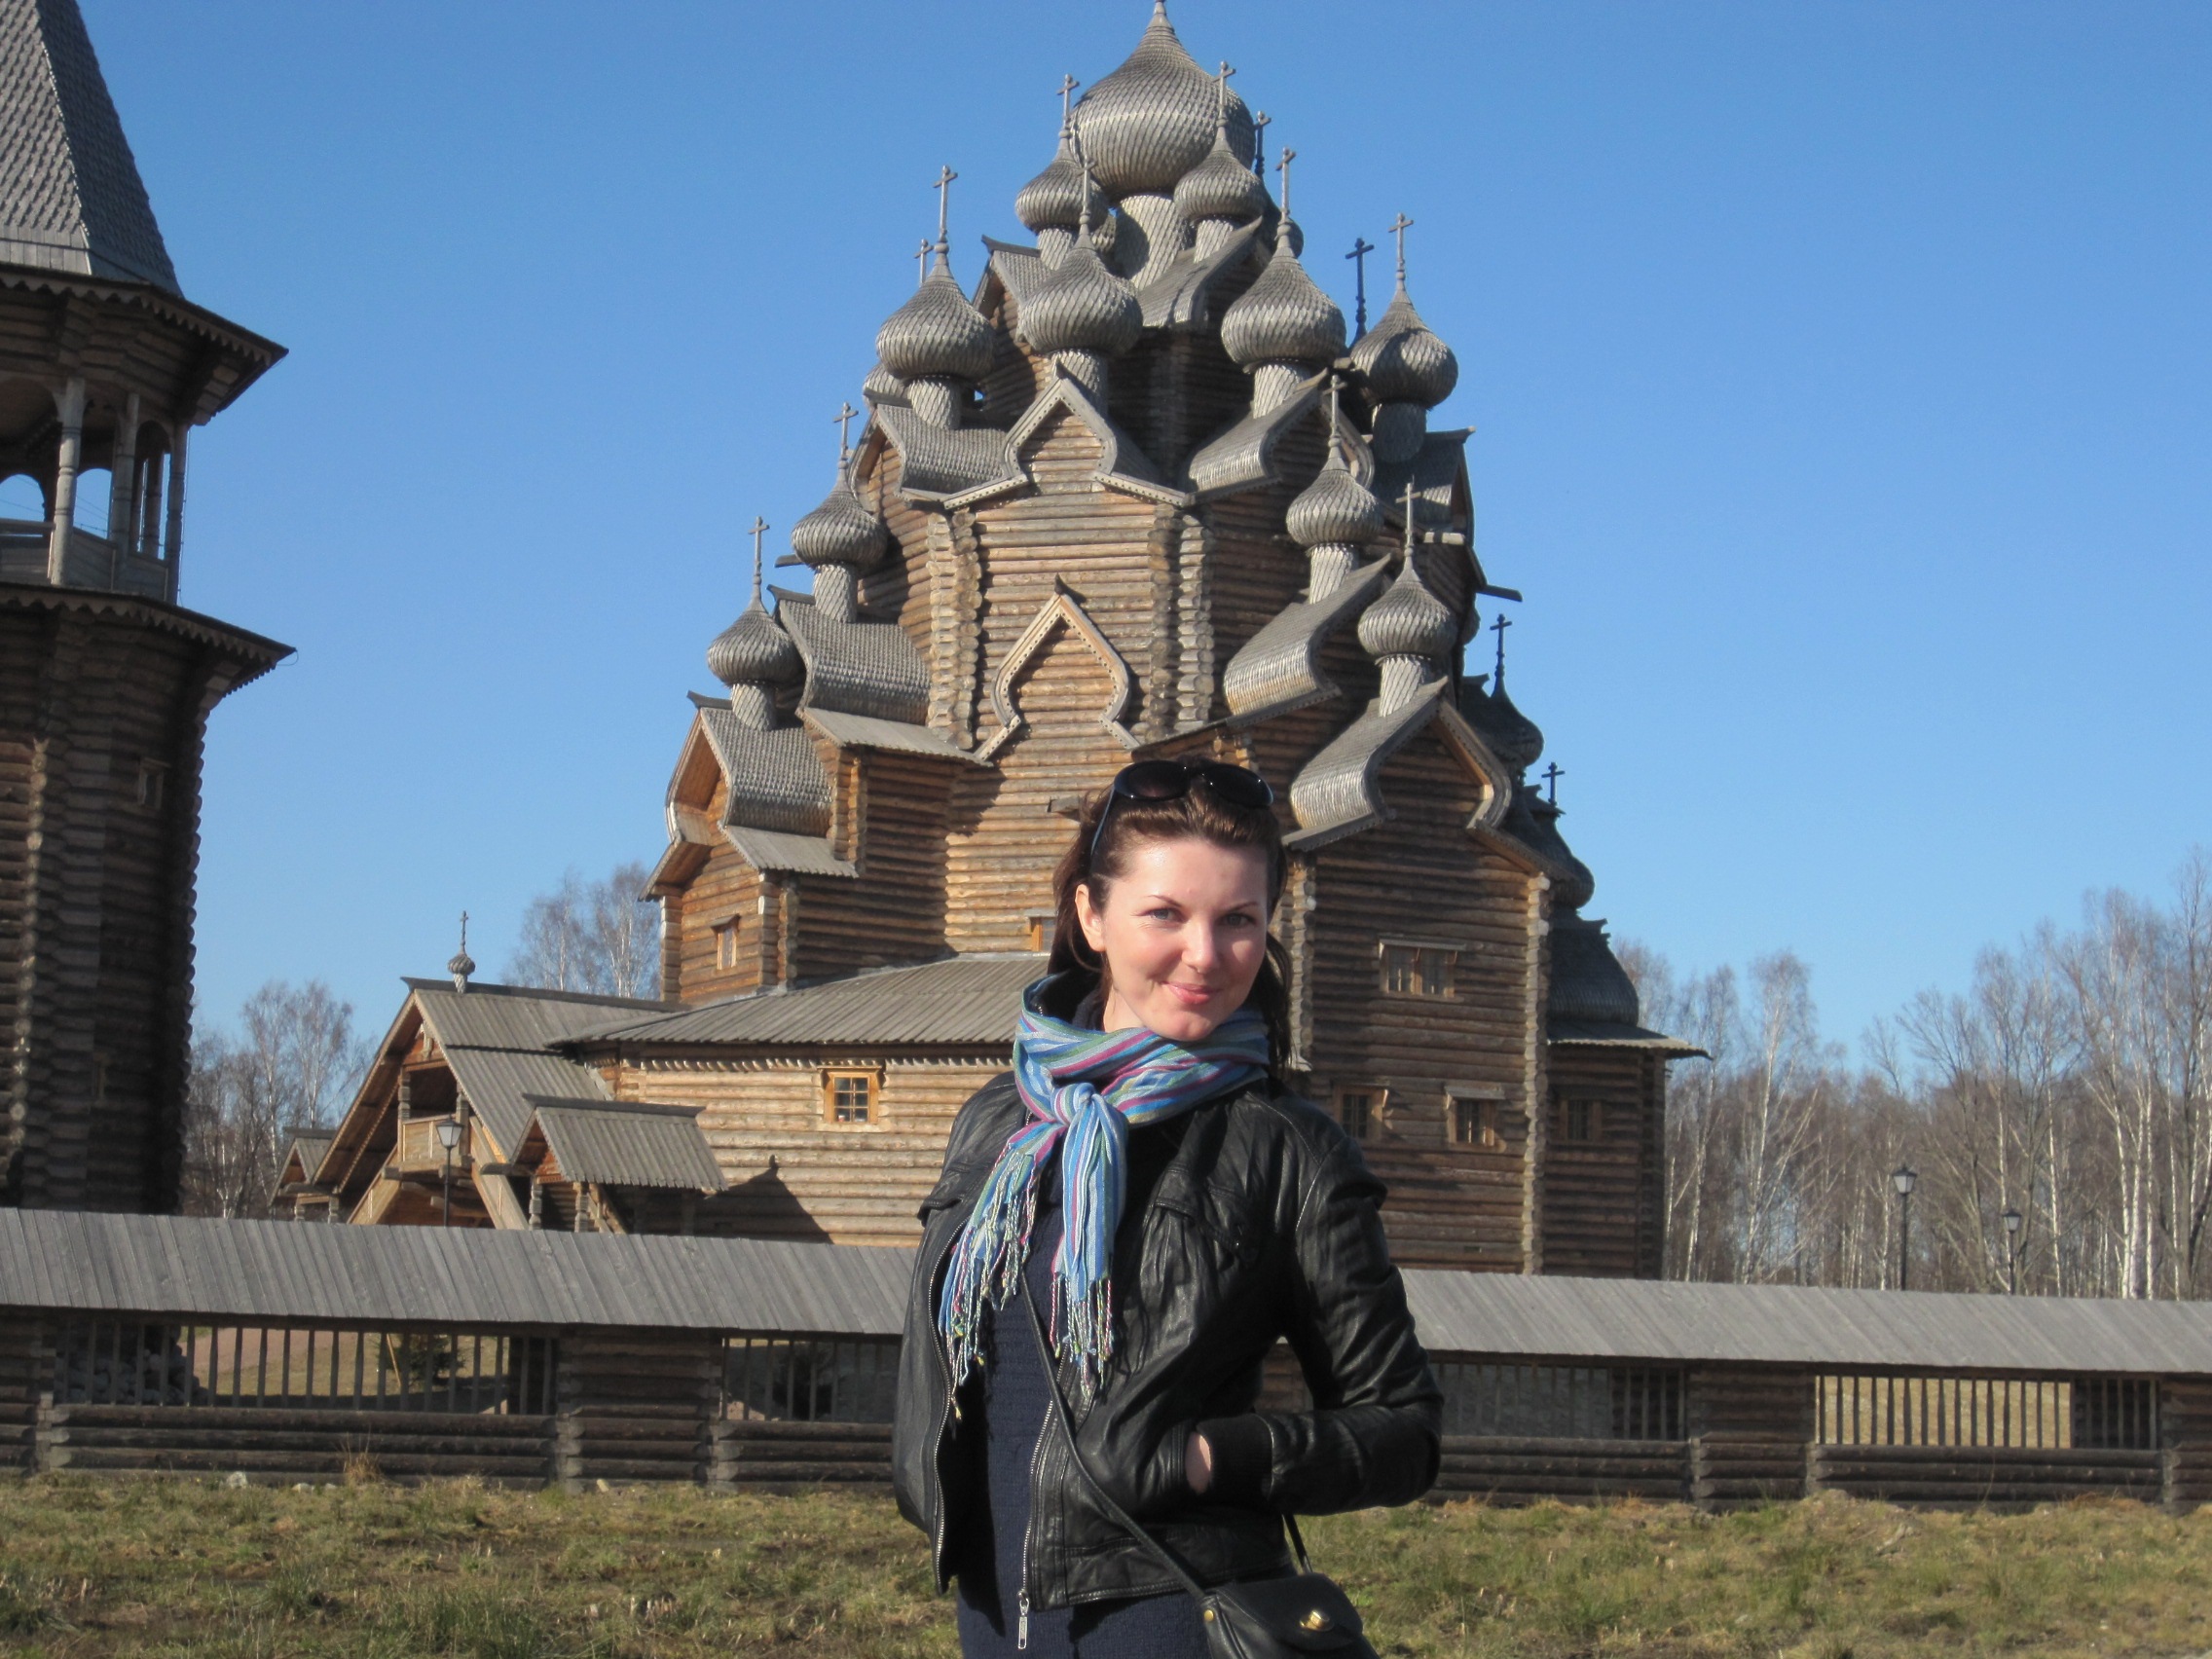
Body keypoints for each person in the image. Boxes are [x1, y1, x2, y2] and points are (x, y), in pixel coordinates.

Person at [893, 756, 1441, 1659]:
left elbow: (1403, 1431)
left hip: (1170, 1612)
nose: (1205, 954)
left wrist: (1208, 1457)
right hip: (995, 1618)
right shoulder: (999, 1120)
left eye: (1238, 921)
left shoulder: (1286, 1151)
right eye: (1166, 914)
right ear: (1091, 916)